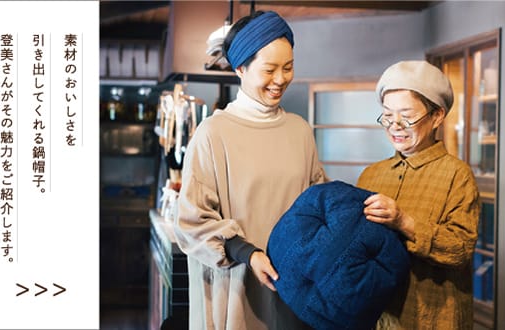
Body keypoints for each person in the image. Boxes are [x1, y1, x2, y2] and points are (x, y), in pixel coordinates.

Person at [173, 10, 327, 330]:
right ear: (241, 68)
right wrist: (248, 253)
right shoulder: (213, 133)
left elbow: (317, 201)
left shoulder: (299, 131)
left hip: (293, 289)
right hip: (236, 286)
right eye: (269, 69)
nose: (281, 79)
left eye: (288, 67)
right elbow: (192, 220)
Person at [357, 60, 480, 329]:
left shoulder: (457, 175)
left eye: (407, 116)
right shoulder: (371, 174)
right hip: (376, 313)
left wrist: (403, 221)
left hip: (433, 316)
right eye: (388, 115)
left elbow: (460, 250)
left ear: (437, 116)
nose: (395, 126)